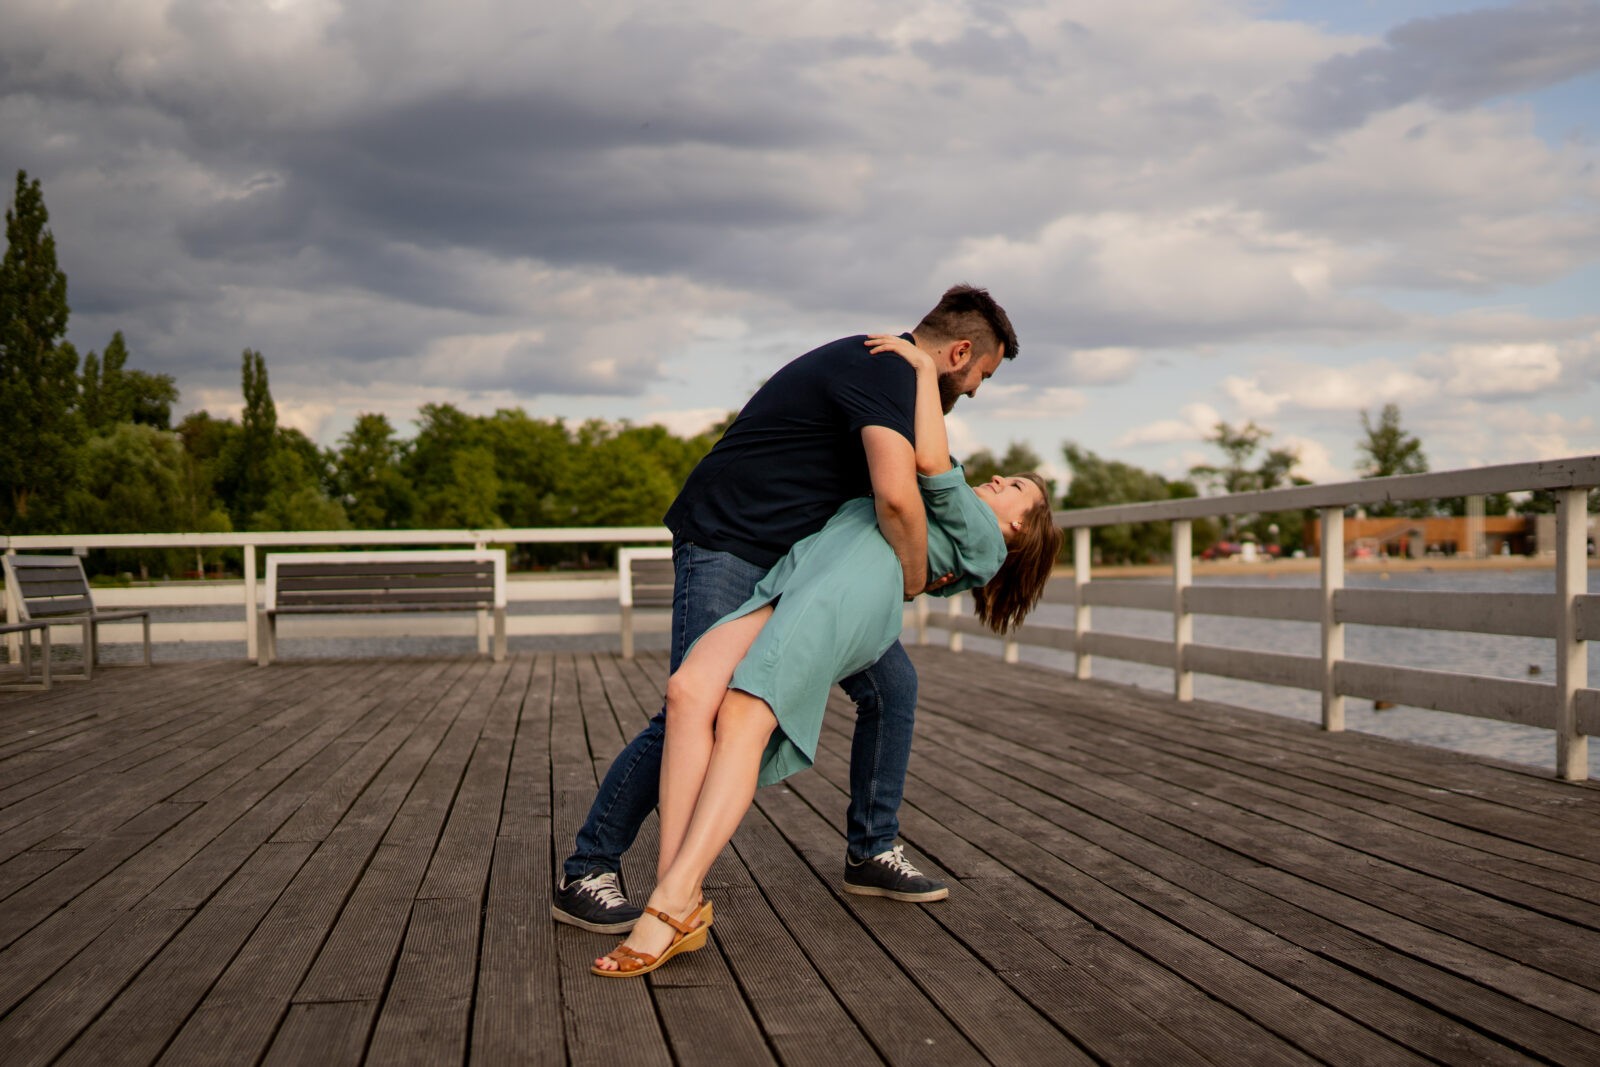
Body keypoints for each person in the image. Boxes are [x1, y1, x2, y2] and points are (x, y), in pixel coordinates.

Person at [591, 332, 1062, 976]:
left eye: (1014, 490)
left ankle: (670, 903)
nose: (998, 479)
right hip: (794, 577)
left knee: (744, 717)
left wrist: (923, 371)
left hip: (842, 599)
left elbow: (929, 465)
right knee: (688, 692)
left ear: (1017, 530)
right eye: (1008, 477)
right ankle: (682, 890)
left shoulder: (983, 541)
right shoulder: (928, 482)